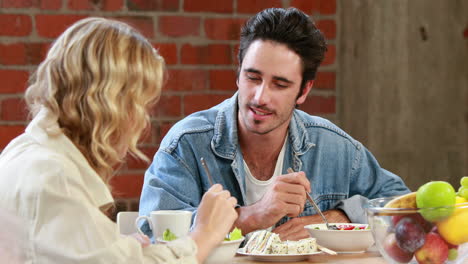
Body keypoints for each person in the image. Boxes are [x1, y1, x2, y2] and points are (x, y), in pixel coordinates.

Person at [139, 7, 410, 241]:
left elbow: (402, 207)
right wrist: (253, 216)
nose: (260, 97)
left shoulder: (334, 147)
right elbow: (153, 236)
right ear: (238, 73)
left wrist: (335, 219)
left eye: (280, 84)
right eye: (253, 78)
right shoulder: (187, 144)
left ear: (304, 91)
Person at [0, 17, 238, 263]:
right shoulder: (54, 178)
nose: (142, 121)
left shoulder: (25, 153)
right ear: (111, 104)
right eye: (140, 105)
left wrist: (118, 248)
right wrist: (204, 234)